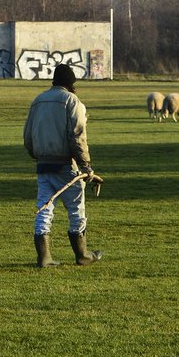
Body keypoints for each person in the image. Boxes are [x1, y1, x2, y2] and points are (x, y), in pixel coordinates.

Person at [23, 63, 103, 268]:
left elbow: (27, 137)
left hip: (43, 165)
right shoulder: (72, 101)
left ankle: (44, 258)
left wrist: (38, 155)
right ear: (71, 83)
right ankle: (82, 254)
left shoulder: (38, 100)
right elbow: (77, 136)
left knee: (44, 210)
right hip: (67, 166)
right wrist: (86, 167)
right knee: (76, 210)